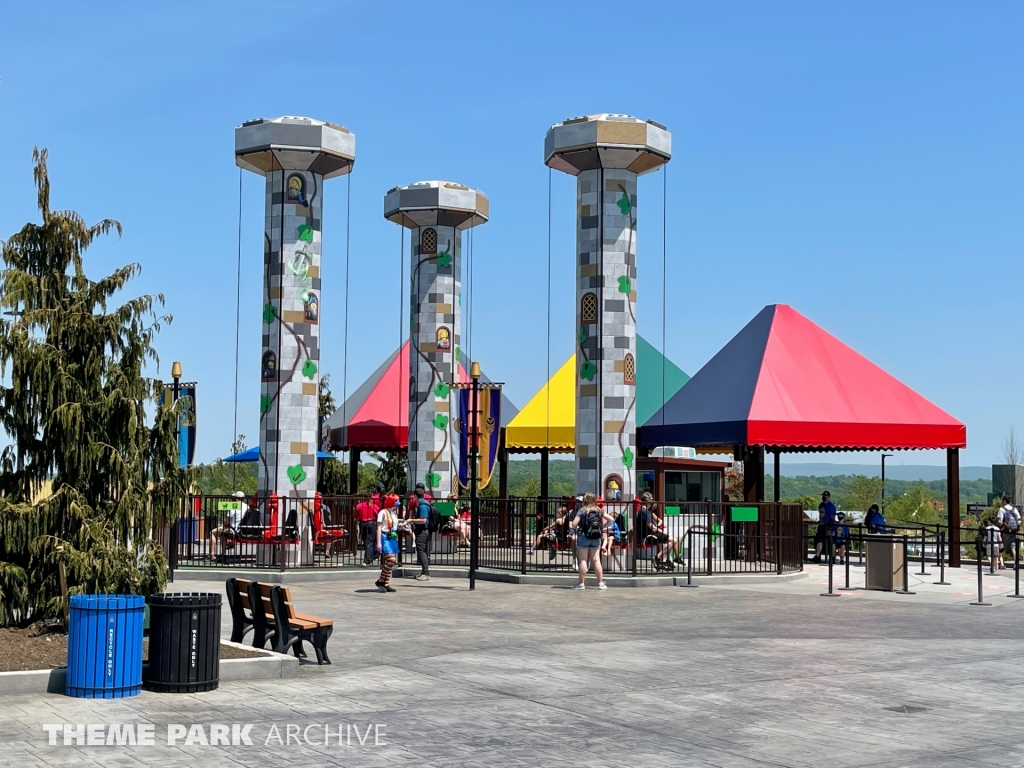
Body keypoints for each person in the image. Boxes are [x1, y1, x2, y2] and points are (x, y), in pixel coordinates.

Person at [569, 492, 607, 590]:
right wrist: (602, 527)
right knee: (596, 560)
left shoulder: (582, 510)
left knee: (583, 560)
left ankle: (581, 584)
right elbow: (612, 520)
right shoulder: (599, 510)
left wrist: (573, 530)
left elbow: (574, 523)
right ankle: (601, 584)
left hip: (583, 536)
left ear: (584, 501)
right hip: (596, 537)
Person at [636, 493, 679, 571]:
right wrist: (663, 532)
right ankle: (658, 558)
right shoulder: (644, 511)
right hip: (647, 536)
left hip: (648, 535)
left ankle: (663, 561)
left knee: (671, 540)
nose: (652, 502)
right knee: (673, 539)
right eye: (651, 500)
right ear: (648, 502)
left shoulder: (643, 511)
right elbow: (652, 527)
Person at [209, 491, 246, 560]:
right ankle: (224, 551)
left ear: (236, 498)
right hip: (242, 529)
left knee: (212, 532)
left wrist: (223, 523)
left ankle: (212, 554)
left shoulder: (234, 506)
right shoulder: (247, 506)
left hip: (233, 529)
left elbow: (227, 521)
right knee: (224, 534)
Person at [375, 500, 401, 593]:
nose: (398, 504)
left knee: (391, 561)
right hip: (385, 537)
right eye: (396, 502)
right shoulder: (383, 512)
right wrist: (379, 542)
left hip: (392, 538)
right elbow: (378, 527)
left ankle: (386, 583)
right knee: (391, 560)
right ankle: (381, 581)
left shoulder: (393, 513)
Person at [411, 485, 433, 581]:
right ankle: (423, 572)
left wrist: (411, 520)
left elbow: (423, 520)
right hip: (423, 531)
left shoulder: (423, 505)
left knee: (421, 551)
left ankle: (426, 573)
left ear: (415, 496)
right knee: (421, 551)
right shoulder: (424, 503)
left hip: (423, 531)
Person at [811, 491, 837, 564]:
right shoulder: (821, 505)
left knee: (831, 542)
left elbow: (833, 518)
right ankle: (817, 556)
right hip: (821, 525)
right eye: (823, 496)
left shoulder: (831, 506)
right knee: (819, 540)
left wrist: (831, 528)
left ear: (828, 497)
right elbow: (821, 515)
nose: (824, 497)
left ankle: (832, 558)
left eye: (825, 496)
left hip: (828, 525)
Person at [355, 493, 380, 566]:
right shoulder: (375, 507)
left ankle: (368, 558)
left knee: (366, 541)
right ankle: (368, 559)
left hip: (362, 524)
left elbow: (355, 515)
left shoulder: (359, 506)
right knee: (370, 542)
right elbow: (378, 515)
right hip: (371, 523)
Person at [998, 496, 1020, 567]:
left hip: (1006, 531)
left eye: (1002, 500)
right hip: (1013, 531)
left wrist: (1003, 524)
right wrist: (1014, 526)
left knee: (1003, 547)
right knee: (1013, 548)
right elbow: (1019, 520)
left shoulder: (1002, 509)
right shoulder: (1014, 509)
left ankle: (1002, 564)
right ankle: (1016, 564)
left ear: (1004, 501)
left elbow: (1000, 521)